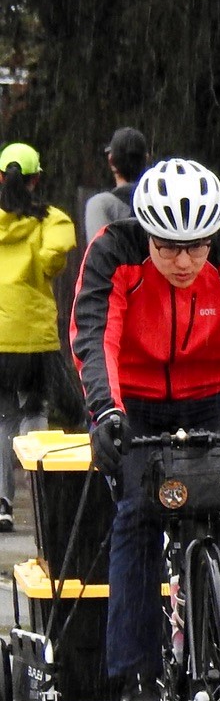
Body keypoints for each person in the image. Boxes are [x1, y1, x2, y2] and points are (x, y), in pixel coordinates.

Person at [71, 158, 220, 701]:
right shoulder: (114, 252)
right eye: (167, 247)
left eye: (196, 247)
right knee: (138, 515)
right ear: (146, 234)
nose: (184, 261)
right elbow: (97, 336)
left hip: (215, 396)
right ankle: (139, 672)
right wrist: (106, 412)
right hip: (136, 403)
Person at [0, 143, 76, 533]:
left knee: (3, 418)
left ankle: (2, 503)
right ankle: (45, 497)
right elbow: (52, 260)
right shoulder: (50, 219)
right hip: (34, 339)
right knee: (35, 412)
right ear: (36, 179)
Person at [83, 128, 149, 243]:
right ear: (146, 159)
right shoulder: (160, 202)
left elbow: (99, 255)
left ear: (111, 160)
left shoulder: (101, 205)